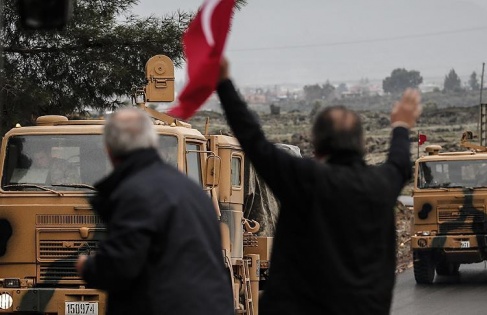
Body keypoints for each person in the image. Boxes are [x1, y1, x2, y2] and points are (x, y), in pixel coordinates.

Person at [216, 59, 421, 315]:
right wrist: (401, 125)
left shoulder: (305, 179)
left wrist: (222, 83)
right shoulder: (381, 184)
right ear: (361, 144)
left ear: (316, 144)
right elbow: (400, 162)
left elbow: (254, 141)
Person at [75, 108, 233, 315]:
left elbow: (121, 266)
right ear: (153, 143)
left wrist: (87, 266)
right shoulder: (194, 191)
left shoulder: (135, 193)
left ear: (108, 149)